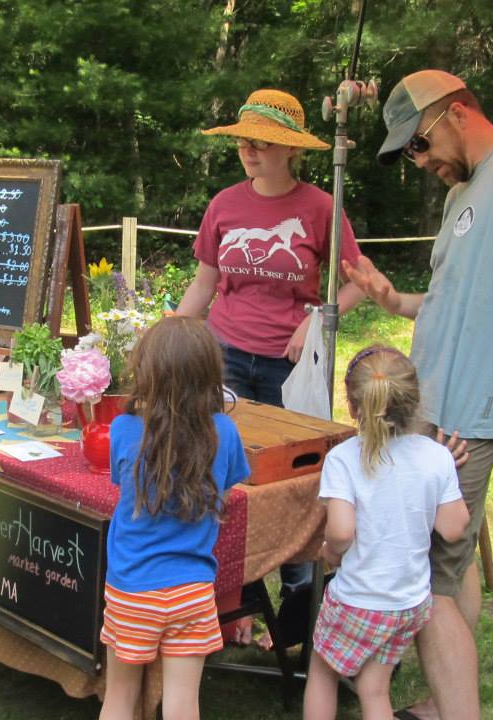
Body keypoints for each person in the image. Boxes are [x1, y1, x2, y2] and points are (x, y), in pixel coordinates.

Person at [343, 69, 493, 720]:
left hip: (471, 411)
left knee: (430, 573)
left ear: (455, 112)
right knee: (455, 555)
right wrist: (397, 302)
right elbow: (458, 298)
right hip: (430, 402)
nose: (419, 162)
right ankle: (438, 699)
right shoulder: (462, 195)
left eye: (419, 144)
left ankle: (455, 710)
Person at [176, 87, 366, 643]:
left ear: (290, 151)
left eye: (262, 144)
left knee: (295, 479)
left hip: (292, 368)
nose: (250, 153)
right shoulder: (225, 205)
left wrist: (317, 320)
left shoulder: (321, 208)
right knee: (225, 477)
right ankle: (228, 605)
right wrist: (168, 332)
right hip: (226, 357)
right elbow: (205, 283)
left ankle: (297, 608)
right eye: (243, 143)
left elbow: (358, 281)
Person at [302, 345, 470, 720]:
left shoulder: (343, 459)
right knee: (373, 688)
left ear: (353, 407)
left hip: (359, 600)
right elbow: (454, 527)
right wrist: (444, 475)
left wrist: (329, 551)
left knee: (323, 672)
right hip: (408, 604)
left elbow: (342, 532)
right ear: (414, 400)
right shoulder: (436, 456)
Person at [98, 315, 251, 720]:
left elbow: (120, 479)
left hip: (132, 586)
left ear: (146, 370)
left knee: (119, 697)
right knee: (184, 704)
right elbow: (229, 487)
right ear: (209, 374)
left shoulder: (123, 429)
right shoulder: (225, 432)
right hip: (192, 589)